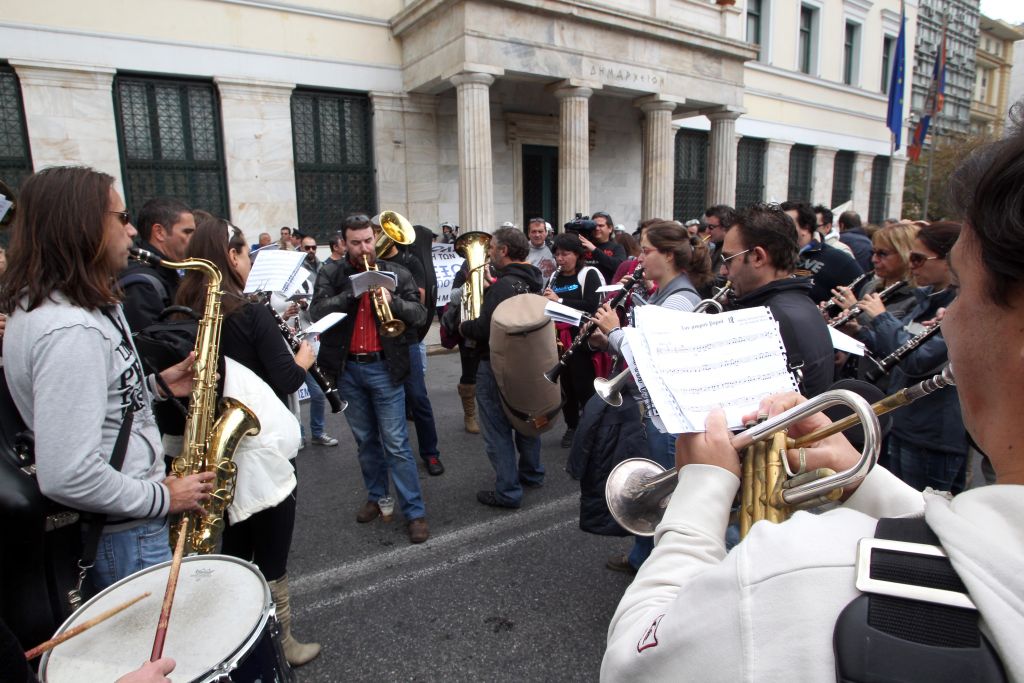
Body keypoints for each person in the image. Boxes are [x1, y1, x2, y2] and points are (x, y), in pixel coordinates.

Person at [602, 121, 1024, 682]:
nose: (947, 317)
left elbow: (631, 664)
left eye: (963, 289)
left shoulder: (804, 571)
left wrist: (699, 496)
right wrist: (869, 483)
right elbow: (989, 561)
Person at [0, 166, 212, 593]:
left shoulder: (79, 308)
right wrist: (165, 498)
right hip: (124, 536)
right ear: (82, 228)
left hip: (128, 525)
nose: (132, 231)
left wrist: (156, 386)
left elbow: (95, 405)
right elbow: (68, 475)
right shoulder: (68, 330)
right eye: (121, 218)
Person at [175, 215, 320, 666]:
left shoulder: (182, 310)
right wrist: (305, 354)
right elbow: (285, 377)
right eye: (242, 253)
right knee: (272, 549)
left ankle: (237, 638)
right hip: (257, 449)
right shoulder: (249, 313)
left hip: (208, 448)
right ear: (231, 256)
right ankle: (282, 641)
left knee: (235, 544)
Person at [592, 220, 712, 574]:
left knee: (661, 497)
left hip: (667, 418)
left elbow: (653, 357)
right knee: (651, 493)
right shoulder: (663, 293)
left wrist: (615, 333)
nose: (640, 259)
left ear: (669, 255)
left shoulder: (682, 299)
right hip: (656, 412)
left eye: (646, 251)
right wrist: (608, 337)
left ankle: (656, 572)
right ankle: (640, 557)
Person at [309, 214, 430, 544]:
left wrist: (395, 302)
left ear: (375, 237)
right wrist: (351, 292)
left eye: (368, 240)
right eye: (356, 242)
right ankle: (377, 497)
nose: (364, 248)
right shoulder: (332, 272)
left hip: (384, 367)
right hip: (347, 369)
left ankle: (415, 512)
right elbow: (316, 311)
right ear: (343, 243)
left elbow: (420, 316)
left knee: (397, 444)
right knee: (365, 442)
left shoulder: (397, 272)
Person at [855, 222, 966, 494]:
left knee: (921, 519)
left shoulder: (960, 307)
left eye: (917, 258)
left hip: (933, 433)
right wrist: (859, 331)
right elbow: (899, 351)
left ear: (948, 260)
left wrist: (881, 317)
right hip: (905, 420)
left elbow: (919, 360)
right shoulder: (926, 298)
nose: (911, 265)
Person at [459, 227, 545, 509]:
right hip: (528, 362)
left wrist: (461, 325)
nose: (490, 252)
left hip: (497, 364)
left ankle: (508, 491)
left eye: (493, 247)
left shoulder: (502, 286)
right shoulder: (535, 279)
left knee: (496, 429)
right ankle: (532, 473)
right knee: (526, 419)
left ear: (505, 251)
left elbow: (485, 330)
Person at [720, 204, 834, 399]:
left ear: (757, 257)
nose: (723, 271)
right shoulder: (800, 302)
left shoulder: (767, 319)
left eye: (728, 259)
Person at [380, 224, 445, 476]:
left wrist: (390, 295)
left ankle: (431, 454)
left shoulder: (410, 261)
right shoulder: (371, 263)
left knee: (418, 398)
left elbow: (419, 297)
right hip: (381, 341)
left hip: (407, 338)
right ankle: (393, 456)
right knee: (386, 402)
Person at [542, 233, 603, 449]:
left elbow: (591, 305)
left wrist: (559, 300)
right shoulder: (554, 278)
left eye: (565, 254)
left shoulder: (589, 274)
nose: (560, 258)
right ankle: (572, 426)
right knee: (564, 386)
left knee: (584, 385)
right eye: (557, 254)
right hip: (558, 339)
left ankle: (591, 427)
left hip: (581, 338)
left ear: (577, 255)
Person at [119, 197, 196, 332]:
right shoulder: (141, 284)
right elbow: (150, 346)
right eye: (187, 232)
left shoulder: (167, 270)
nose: (193, 240)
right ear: (159, 232)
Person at [295, 235, 339, 448]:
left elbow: (317, 313)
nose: (311, 251)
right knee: (292, 398)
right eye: (306, 248)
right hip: (288, 346)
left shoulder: (313, 278)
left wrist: (306, 307)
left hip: (309, 343)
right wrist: (286, 314)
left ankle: (318, 432)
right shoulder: (276, 288)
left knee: (319, 393)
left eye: (314, 247)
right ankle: (298, 435)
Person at [784, 200, 863, 305]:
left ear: (806, 227)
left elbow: (863, 297)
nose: (778, 229)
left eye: (786, 223)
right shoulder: (770, 257)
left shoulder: (839, 260)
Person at [581, 211, 627, 283]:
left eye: (601, 226)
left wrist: (594, 250)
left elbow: (619, 267)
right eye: (594, 226)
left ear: (610, 228)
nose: (597, 228)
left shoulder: (617, 247)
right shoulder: (583, 246)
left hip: (608, 289)